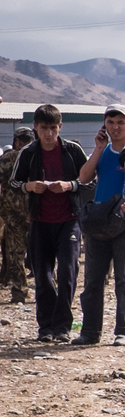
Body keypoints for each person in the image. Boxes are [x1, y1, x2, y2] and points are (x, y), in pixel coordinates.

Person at [73, 105, 125, 346]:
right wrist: (98, 149)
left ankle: (123, 331)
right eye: (111, 122)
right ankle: (90, 332)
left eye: (121, 122)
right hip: (99, 223)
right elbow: (83, 178)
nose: (116, 127)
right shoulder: (102, 153)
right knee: (92, 280)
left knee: (124, 279)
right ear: (105, 125)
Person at [9, 105, 88, 340]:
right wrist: (29, 186)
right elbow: (14, 182)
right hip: (40, 221)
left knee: (67, 272)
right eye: (44, 128)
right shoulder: (29, 153)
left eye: (53, 128)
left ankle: (63, 326)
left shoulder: (72, 151)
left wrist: (69, 185)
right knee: (42, 276)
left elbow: (88, 180)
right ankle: (46, 327)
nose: (49, 133)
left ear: (60, 127)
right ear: (35, 127)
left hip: (69, 220)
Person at [0, 126, 34, 303]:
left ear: (17, 141)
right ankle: (48, 287)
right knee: (41, 252)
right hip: (36, 212)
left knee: (15, 254)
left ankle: (20, 290)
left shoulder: (7, 158)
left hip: (12, 213)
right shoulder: (37, 156)